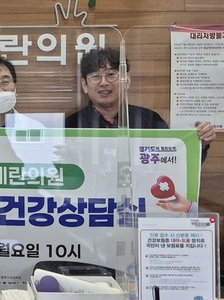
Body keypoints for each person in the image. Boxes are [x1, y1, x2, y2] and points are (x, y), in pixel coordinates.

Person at [65, 46, 216, 213]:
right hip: (91, 211)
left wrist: (200, 143)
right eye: (95, 76)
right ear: (85, 85)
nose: (104, 82)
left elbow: (174, 163)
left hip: (142, 209)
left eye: (111, 74)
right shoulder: (71, 125)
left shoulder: (149, 119)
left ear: (127, 80)